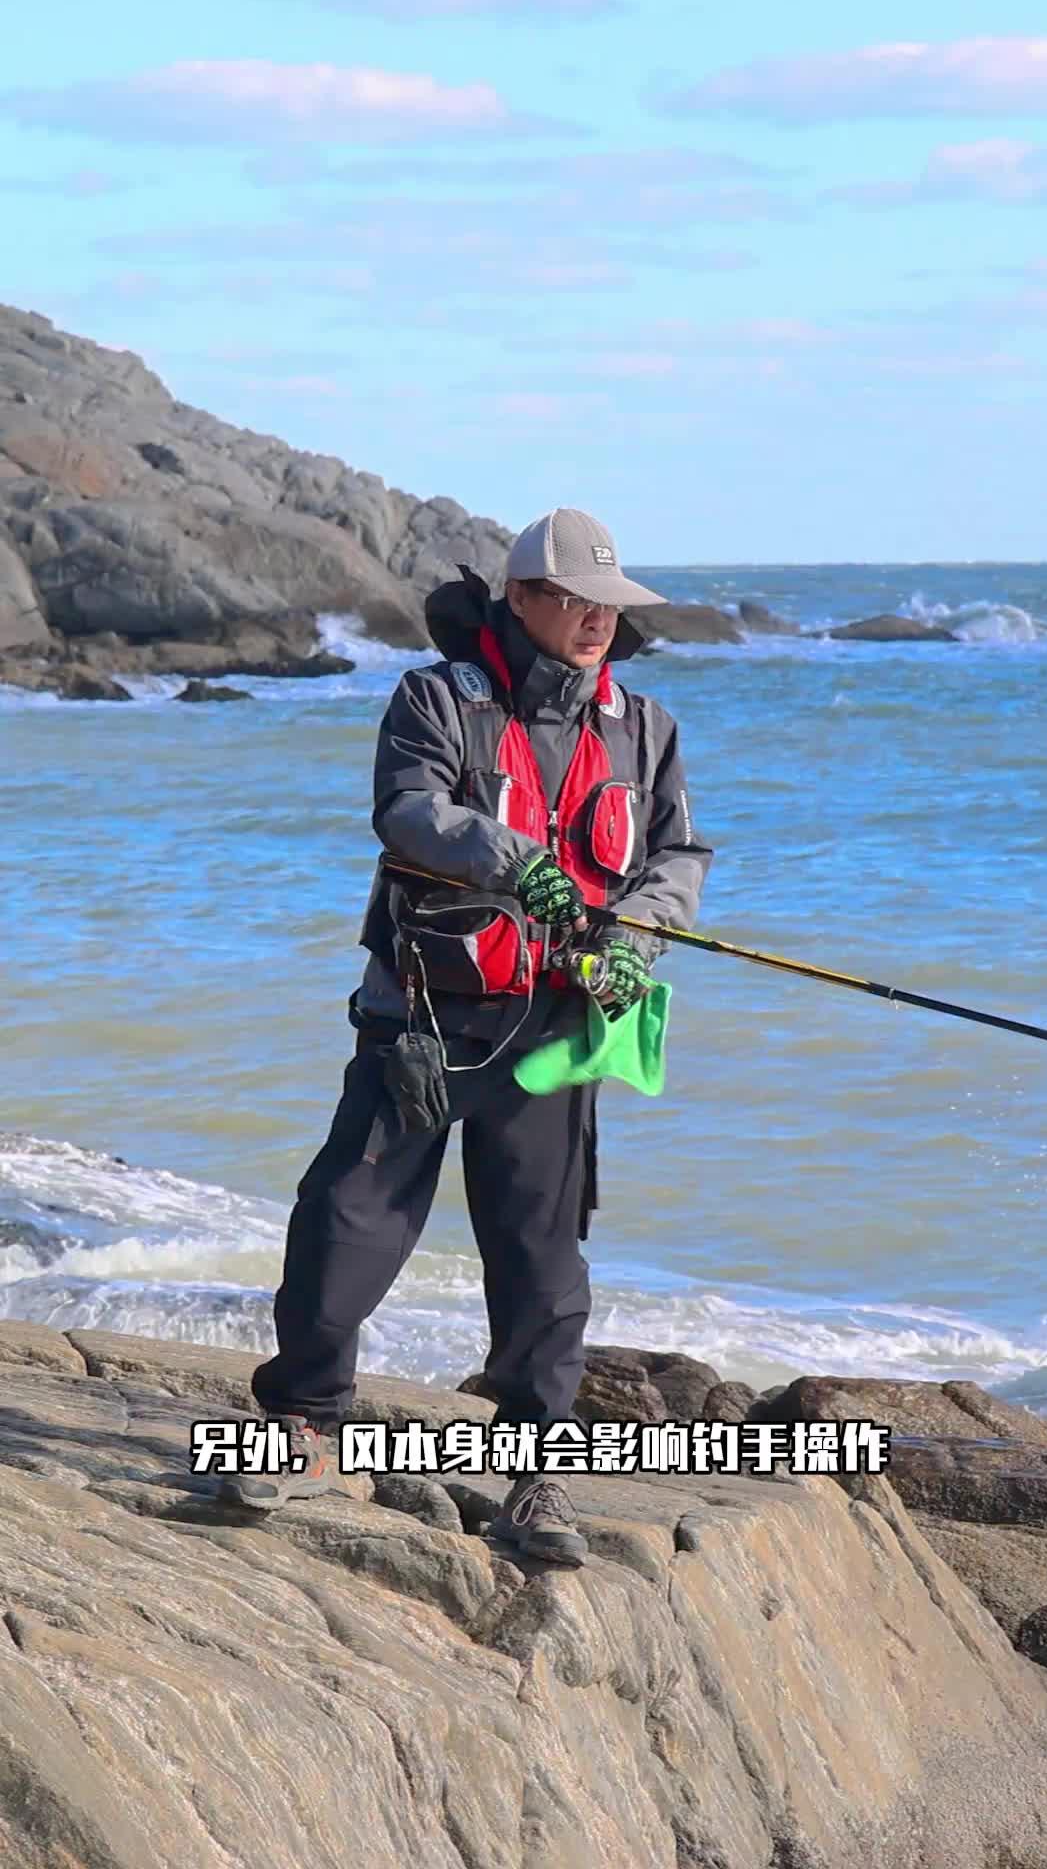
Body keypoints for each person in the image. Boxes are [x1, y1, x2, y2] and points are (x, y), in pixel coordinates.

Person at [223, 507, 713, 1565]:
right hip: (425, 1021)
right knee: (346, 1218)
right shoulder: (435, 699)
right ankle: (306, 1426)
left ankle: (536, 1476)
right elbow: (406, 811)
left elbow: (677, 855)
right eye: (576, 602)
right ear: (522, 599)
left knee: (543, 1261)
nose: (596, 622)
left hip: (558, 1032)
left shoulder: (645, 725)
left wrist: (639, 934)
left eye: (609, 606)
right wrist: (510, 860)